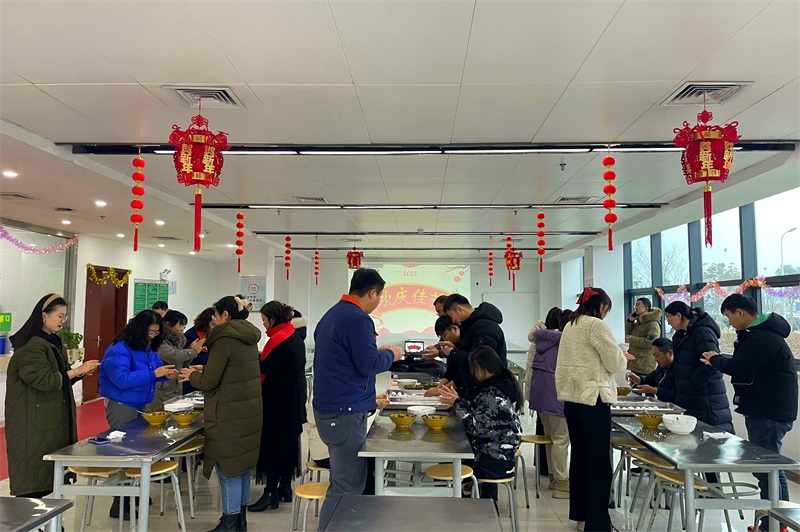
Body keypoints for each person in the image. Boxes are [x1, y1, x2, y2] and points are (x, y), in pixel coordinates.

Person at [312, 268, 403, 529]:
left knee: (346, 481)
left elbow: (346, 358)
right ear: (372, 292)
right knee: (347, 485)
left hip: (331, 407)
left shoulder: (333, 314)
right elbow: (368, 365)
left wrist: (376, 351)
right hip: (345, 411)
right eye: (380, 296)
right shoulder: (358, 319)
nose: (378, 302)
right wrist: (392, 355)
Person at [701, 294, 798, 532]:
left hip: (768, 411)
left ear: (741, 312)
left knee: (767, 469)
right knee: (770, 468)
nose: (729, 323)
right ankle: (774, 523)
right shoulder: (759, 335)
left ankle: (775, 524)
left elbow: (740, 366)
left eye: (729, 316)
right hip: (766, 409)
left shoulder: (762, 337)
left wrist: (716, 360)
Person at [179, 296, 262, 532]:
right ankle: (240, 521)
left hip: (228, 413)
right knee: (241, 466)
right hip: (247, 411)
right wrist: (205, 367)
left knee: (228, 469)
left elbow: (209, 382)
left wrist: (193, 375)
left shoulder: (224, 338)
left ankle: (229, 523)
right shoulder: (247, 336)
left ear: (225, 315)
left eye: (215, 315)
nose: (214, 320)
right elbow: (233, 369)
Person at [5, 294, 100, 498]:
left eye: (64, 317)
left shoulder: (51, 342)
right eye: (59, 316)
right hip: (33, 423)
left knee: (51, 478)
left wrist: (78, 373)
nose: (62, 321)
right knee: (33, 481)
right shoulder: (31, 346)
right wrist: (76, 371)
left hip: (50, 420)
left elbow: (60, 377)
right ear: (44, 315)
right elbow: (45, 380)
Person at [555, 287, 630, 532]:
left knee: (580, 458)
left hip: (572, 398)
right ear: (600, 306)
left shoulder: (571, 324)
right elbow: (615, 363)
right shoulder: (596, 326)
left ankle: (581, 516)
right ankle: (597, 523)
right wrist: (620, 352)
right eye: (607, 309)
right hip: (592, 398)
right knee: (598, 462)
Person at [99, 309, 176, 519]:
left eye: (156, 333)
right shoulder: (119, 349)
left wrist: (166, 374)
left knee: (137, 452)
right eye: (150, 332)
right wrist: (153, 374)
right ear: (139, 330)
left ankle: (133, 493)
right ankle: (119, 502)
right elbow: (122, 379)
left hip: (141, 404)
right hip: (121, 405)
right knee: (123, 453)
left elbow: (155, 370)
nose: (152, 336)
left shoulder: (147, 348)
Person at [440, 347, 522, 502]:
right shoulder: (499, 386)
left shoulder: (493, 393)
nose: (472, 374)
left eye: (473, 369)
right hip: (500, 452)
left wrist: (457, 403)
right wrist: (459, 401)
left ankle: (467, 506)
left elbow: (475, 427)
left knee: (452, 466)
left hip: (495, 458)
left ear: (482, 368)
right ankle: (476, 502)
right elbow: (482, 416)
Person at [249, 301, 307, 512]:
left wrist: (249, 359)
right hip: (292, 400)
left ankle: (270, 491)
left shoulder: (280, 340)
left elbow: (266, 366)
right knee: (287, 445)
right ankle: (285, 487)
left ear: (273, 319)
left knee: (274, 446)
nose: (264, 324)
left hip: (278, 403)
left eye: (264, 320)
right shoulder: (292, 334)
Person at [664, 301, 734, 432]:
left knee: (710, 436)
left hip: (706, 397)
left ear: (679, 315)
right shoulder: (682, 335)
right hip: (691, 398)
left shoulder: (702, 332)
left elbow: (711, 363)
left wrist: (693, 384)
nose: (667, 322)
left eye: (668, 317)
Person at [529, 308, 572, 499]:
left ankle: (554, 478)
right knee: (561, 439)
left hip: (539, 394)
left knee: (550, 438)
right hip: (555, 394)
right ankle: (561, 483)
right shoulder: (565, 342)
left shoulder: (541, 340)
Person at [146, 310, 204, 411]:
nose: (182, 329)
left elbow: (181, 363)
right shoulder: (160, 340)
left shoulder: (177, 341)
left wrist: (191, 351)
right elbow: (173, 356)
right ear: (168, 324)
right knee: (159, 412)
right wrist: (193, 351)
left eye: (184, 326)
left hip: (175, 385)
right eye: (180, 325)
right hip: (161, 386)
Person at [442, 293, 508, 367]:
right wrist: (454, 348)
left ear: (459, 309)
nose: (453, 321)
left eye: (451, 316)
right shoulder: (469, 326)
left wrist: (453, 352)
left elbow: (480, 360)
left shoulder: (484, 326)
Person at [183, 307, 216, 393]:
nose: (215, 328)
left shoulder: (210, 335)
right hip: (191, 377)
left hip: (204, 375)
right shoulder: (191, 336)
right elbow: (187, 359)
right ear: (205, 323)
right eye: (213, 325)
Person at [625, 297, 660, 376]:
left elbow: (650, 342)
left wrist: (632, 339)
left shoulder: (652, 324)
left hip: (644, 364)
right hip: (634, 362)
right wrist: (630, 321)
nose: (636, 307)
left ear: (646, 308)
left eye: (639, 305)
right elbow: (628, 334)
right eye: (635, 305)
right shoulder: (639, 322)